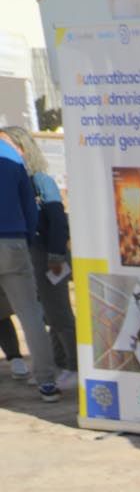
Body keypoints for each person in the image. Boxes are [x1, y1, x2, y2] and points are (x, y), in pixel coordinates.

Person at [1, 128, 75, 388]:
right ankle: (51, 373)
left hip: (43, 252)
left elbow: (55, 216)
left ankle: (70, 366)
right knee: (39, 315)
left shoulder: (40, 178)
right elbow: (29, 211)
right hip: (22, 248)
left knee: (58, 313)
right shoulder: (14, 168)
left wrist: (53, 253)